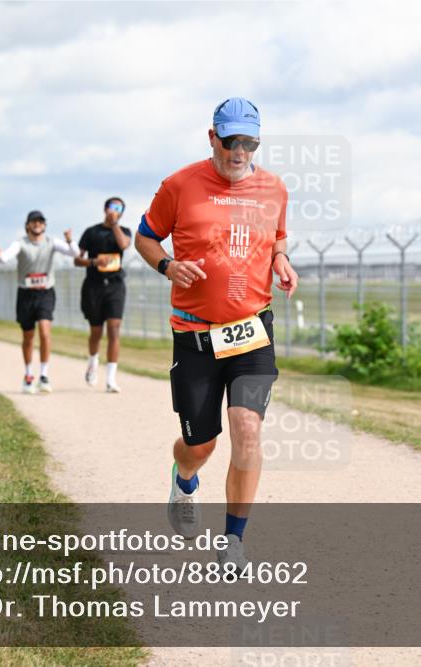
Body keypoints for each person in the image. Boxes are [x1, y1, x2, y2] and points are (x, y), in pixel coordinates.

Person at [134, 97, 298, 574]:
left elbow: (278, 236)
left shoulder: (273, 189)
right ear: (213, 138)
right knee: (201, 444)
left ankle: (233, 541)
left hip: (251, 332)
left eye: (250, 142)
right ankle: (184, 478)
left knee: (247, 429)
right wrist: (167, 265)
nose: (240, 151)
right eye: (231, 141)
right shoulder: (180, 185)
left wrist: (281, 260)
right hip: (196, 335)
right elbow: (145, 236)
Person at [0, 210, 79, 394]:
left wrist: (70, 240)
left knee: (45, 331)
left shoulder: (52, 242)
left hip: (45, 292)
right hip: (25, 293)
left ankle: (44, 375)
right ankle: (28, 374)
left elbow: (75, 253)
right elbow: (5, 257)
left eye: (41, 221)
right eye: (34, 221)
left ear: (45, 225)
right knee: (28, 336)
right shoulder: (20, 244)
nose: (37, 224)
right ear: (27, 225)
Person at [75, 197, 132, 392]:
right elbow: (77, 260)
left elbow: (124, 245)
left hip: (115, 285)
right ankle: (92, 361)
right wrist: (93, 262)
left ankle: (111, 379)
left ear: (121, 212)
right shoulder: (91, 232)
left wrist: (115, 224)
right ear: (104, 208)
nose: (113, 210)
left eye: (118, 208)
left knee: (114, 330)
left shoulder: (124, 231)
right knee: (96, 332)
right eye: (111, 206)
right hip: (93, 285)